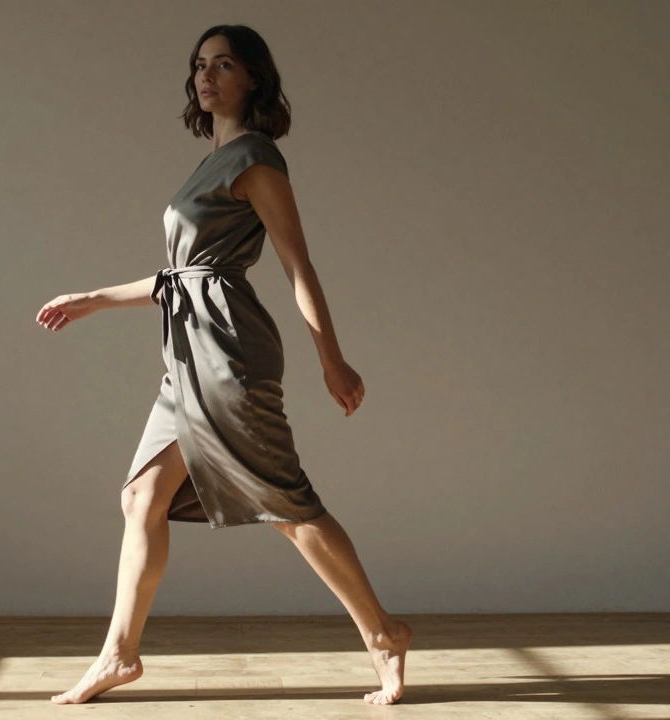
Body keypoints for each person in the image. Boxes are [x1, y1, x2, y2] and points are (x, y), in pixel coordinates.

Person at [34, 24, 411, 706]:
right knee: (141, 497)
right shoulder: (211, 161)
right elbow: (183, 275)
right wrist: (94, 299)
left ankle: (383, 633)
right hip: (188, 349)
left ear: (254, 78)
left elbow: (298, 264)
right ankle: (119, 655)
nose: (206, 76)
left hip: (229, 349)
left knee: (286, 504)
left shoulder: (256, 159)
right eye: (200, 64)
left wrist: (332, 360)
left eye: (224, 64)